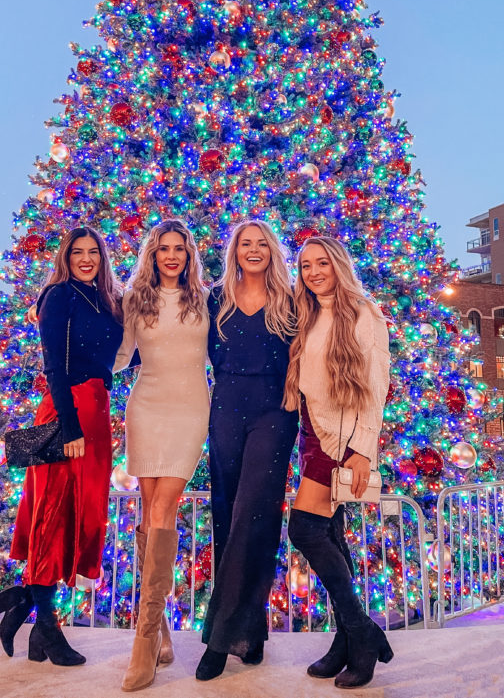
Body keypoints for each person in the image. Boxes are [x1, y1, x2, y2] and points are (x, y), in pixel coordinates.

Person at [0, 226, 124, 666]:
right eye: (77, 252)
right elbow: (54, 365)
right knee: (52, 515)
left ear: (103, 259)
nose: (86, 259)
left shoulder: (107, 301)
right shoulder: (58, 295)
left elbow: (119, 358)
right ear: (65, 257)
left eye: (94, 253)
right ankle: (46, 624)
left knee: (82, 514)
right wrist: (69, 428)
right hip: (67, 413)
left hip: (98, 412)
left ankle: (24, 607)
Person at [283, 236, 394, 689]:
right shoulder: (308, 314)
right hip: (312, 432)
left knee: (303, 529)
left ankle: (362, 633)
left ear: (338, 264)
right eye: (306, 265)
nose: (313, 272)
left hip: (341, 440)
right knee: (329, 533)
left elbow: (376, 383)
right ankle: (346, 639)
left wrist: (362, 449)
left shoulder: (363, 312)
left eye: (321, 263)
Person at [196, 220, 298, 681]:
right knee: (226, 516)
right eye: (245, 244)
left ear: (271, 251)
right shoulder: (213, 298)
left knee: (254, 515)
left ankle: (219, 640)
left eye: (261, 244)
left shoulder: (291, 299)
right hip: (225, 409)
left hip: (275, 412)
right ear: (234, 251)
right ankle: (250, 631)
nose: (253, 250)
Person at [114, 219, 209, 692]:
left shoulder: (206, 299)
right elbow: (118, 355)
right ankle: (158, 630)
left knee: (164, 509)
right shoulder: (135, 300)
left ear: (189, 255)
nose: (171, 256)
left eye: (180, 249)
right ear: (151, 255)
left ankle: (143, 637)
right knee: (148, 516)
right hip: (145, 408)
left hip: (190, 410)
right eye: (163, 249)